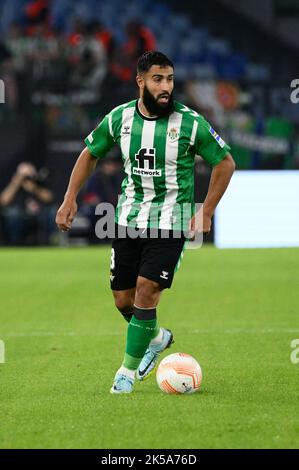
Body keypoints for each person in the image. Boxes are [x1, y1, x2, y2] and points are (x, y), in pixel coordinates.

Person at [55, 51, 235, 394]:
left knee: (146, 291)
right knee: (123, 300)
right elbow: (90, 153)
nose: (166, 86)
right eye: (157, 79)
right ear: (141, 81)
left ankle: (125, 373)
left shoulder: (190, 123)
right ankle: (155, 337)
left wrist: (206, 210)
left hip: (172, 221)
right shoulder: (119, 118)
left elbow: (224, 162)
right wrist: (69, 198)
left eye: (169, 79)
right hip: (127, 219)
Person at [0, 162, 54, 245]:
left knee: (51, 213)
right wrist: (16, 182)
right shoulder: (14, 184)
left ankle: (47, 242)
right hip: (20, 213)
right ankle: (14, 243)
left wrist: (34, 188)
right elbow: (4, 200)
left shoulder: (38, 183)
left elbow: (49, 198)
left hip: (38, 213)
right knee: (13, 214)